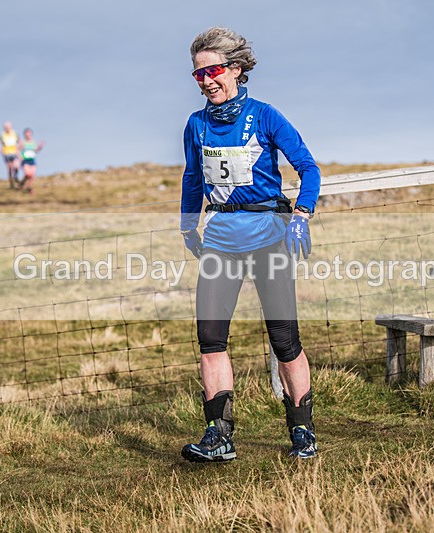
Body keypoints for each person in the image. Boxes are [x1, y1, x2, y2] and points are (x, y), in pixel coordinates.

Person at [179, 27, 321, 462]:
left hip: (268, 238)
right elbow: (192, 179)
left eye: (213, 71)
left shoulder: (264, 115)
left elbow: (308, 168)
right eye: (198, 75)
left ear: (236, 70)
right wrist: (189, 226)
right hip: (220, 240)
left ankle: (302, 430)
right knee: (210, 337)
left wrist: (301, 214)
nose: (206, 81)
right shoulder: (196, 124)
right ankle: (218, 436)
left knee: (283, 338)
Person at [18, 128, 45, 194]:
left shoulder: (33, 142)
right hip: (25, 160)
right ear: (25, 135)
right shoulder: (23, 142)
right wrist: (20, 157)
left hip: (32, 160)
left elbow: (36, 151)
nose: (28, 135)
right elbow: (17, 150)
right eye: (27, 134)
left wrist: (40, 147)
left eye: (29, 134)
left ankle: (29, 188)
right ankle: (22, 183)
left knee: (32, 176)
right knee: (28, 174)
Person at [0, 122, 21, 189]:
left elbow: (21, 142)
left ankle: (16, 176)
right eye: (6, 127)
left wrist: (18, 150)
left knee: (16, 166)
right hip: (6, 154)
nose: (7, 128)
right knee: (9, 169)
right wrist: (1, 151)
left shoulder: (15, 133)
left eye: (8, 127)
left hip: (14, 153)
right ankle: (11, 183)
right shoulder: (2, 135)